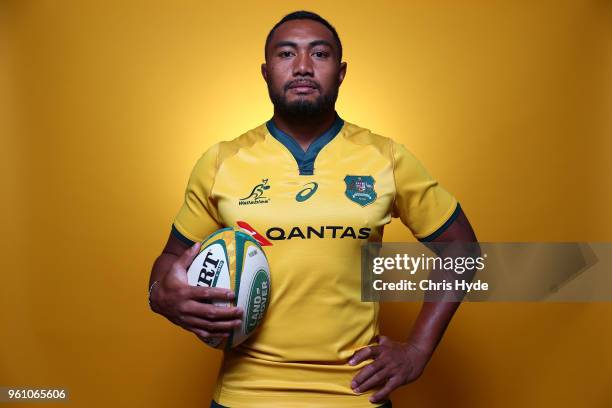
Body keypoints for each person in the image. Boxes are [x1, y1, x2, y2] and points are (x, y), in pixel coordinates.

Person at [149, 10, 478, 408]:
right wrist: (160, 294)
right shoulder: (222, 160)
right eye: (286, 54)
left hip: (356, 397)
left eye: (319, 55)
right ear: (266, 71)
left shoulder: (385, 157)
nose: (303, 66)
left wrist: (418, 351)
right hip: (246, 397)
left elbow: (461, 248)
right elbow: (170, 259)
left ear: (340, 73)